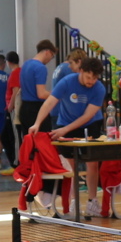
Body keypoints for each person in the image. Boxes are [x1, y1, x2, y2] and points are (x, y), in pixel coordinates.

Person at [31, 56, 107, 215]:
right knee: (71, 166)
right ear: (81, 71)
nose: (91, 81)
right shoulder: (66, 82)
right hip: (66, 122)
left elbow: (87, 116)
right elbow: (49, 103)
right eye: (88, 77)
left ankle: (92, 201)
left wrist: (65, 130)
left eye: (94, 78)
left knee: (92, 164)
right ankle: (73, 201)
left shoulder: (99, 89)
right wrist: (37, 123)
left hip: (90, 124)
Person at [17, 40, 56, 142]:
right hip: (36, 110)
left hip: (24, 107)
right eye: (52, 56)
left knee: (28, 143)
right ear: (47, 52)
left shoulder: (26, 64)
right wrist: (55, 94)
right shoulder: (40, 68)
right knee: (42, 143)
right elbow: (41, 94)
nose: (50, 59)